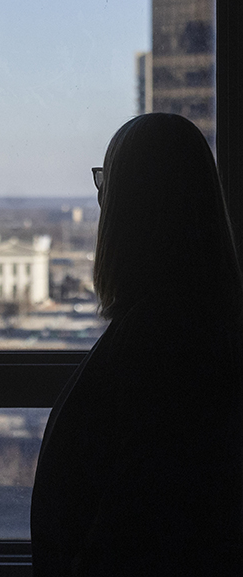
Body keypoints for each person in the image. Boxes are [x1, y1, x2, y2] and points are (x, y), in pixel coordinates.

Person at [31, 113, 243, 577]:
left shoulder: (167, 350)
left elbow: (133, 533)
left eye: (107, 182)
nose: (101, 197)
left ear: (133, 207)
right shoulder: (189, 329)